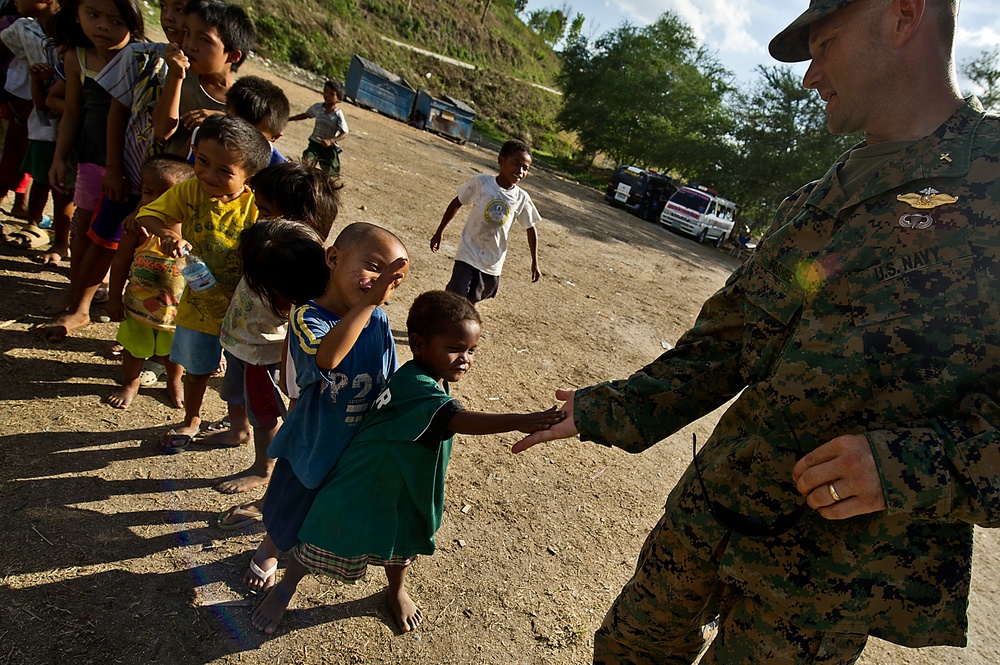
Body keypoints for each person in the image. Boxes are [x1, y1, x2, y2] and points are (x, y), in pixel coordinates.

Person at [513, 0, 1000, 662]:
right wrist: (606, 408)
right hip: (709, 517)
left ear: (903, 17)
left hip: (819, 589)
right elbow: (725, 343)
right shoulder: (818, 197)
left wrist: (904, 467)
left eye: (824, 45)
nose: (809, 77)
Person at [249, 290, 566, 635]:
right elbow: (457, 419)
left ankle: (395, 590)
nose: (465, 359)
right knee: (323, 539)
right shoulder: (417, 384)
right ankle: (284, 588)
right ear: (417, 343)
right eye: (455, 348)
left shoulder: (427, 376)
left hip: (401, 485)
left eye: (472, 350)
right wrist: (518, 420)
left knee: (402, 542)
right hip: (363, 484)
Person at [241, 223, 408, 598]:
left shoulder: (378, 319)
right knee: (291, 500)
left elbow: (386, 377)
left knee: (328, 505)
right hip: (314, 440)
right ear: (333, 257)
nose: (380, 282)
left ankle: (301, 556)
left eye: (391, 279)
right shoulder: (307, 317)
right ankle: (269, 547)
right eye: (373, 266)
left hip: (357, 442)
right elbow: (328, 357)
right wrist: (368, 303)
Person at [134, 114, 270, 453]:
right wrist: (166, 231)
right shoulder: (190, 190)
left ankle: (238, 426)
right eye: (203, 161)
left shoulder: (257, 205)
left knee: (236, 375)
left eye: (224, 171)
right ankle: (192, 418)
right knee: (196, 370)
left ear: (248, 176)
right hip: (197, 305)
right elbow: (147, 214)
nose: (208, 174)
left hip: (243, 309)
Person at [207, 163, 341, 500]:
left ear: (293, 219)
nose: (257, 216)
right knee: (235, 393)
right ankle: (238, 430)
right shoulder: (271, 243)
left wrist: (287, 370)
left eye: (265, 210)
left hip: (262, 351)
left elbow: (297, 315)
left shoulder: (297, 259)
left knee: (263, 413)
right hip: (243, 340)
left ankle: (262, 468)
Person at [34, 0, 145, 342]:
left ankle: (110, 296)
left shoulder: (142, 59)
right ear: (77, 14)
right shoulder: (77, 58)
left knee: (115, 236)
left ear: (131, 22)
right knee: (82, 228)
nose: (103, 27)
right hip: (89, 161)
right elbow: (71, 114)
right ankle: (75, 294)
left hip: (130, 165)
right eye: (93, 16)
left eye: (115, 20)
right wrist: (59, 157)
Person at [104, 154, 194, 409]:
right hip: (138, 308)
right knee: (134, 350)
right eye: (147, 192)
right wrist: (113, 299)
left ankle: (174, 383)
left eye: (164, 196)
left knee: (175, 354)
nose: (154, 201)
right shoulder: (138, 230)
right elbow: (120, 263)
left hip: (178, 312)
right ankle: (130, 383)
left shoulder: (193, 231)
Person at [429, 138, 541, 304]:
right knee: (456, 293)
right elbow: (457, 203)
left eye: (525, 168)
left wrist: (535, 262)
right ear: (501, 160)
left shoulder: (522, 198)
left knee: (473, 298)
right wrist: (440, 232)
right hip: (468, 251)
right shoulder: (481, 183)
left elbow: (530, 228)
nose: (520, 171)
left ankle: (458, 325)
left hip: (493, 258)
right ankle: (441, 324)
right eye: (516, 164)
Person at [153, 0, 254, 157]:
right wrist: (175, 76)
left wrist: (222, 121)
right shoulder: (182, 77)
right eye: (187, 33)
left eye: (204, 40)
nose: (190, 45)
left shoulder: (242, 102)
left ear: (233, 55)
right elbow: (162, 132)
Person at [288, 78, 348, 176]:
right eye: (325, 91)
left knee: (331, 175)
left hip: (329, 148)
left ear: (339, 99)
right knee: (306, 163)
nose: (327, 95)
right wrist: (289, 119)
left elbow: (344, 133)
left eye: (332, 94)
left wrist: (330, 141)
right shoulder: (318, 107)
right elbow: (306, 115)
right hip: (315, 143)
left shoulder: (337, 114)